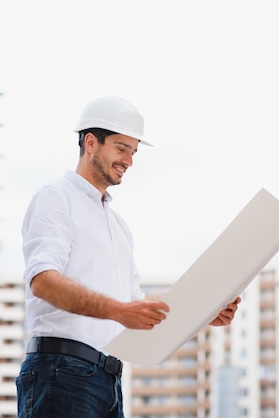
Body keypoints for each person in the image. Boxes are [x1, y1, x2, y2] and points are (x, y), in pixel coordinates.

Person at [16, 96, 241, 418]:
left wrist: (203, 314)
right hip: (61, 372)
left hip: (108, 381)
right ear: (91, 143)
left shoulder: (118, 226)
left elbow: (138, 311)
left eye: (133, 152)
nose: (129, 161)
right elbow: (43, 282)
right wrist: (119, 311)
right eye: (122, 149)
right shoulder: (56, 198)